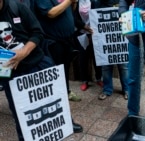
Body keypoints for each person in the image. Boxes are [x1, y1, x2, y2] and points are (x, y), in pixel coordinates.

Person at [0, 0, 81, 140]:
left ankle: (66, 122)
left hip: (37, 63)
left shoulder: (17, 7)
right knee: (21, 112)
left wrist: (24, 52)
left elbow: (37, 32)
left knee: (54, 100)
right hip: (9, 73)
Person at [33, 0, 83, 133]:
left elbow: (66, 12)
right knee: (56, 83)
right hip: (53, 44)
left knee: (63, 80)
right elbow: (51, 13)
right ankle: (64, 121)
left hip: (65, 42)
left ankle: (61, 116)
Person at [97, 0, 129, 100]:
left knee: (124, 66)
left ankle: (127, 89)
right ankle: (107, 89)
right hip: (106, 37)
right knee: (106, 65)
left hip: (121, 37)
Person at [73, 0, 103, 91]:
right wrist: (84, 26)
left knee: (96, 56)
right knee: (83, 58)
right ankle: (84, 81)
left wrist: (92, 29)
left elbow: (98, 14)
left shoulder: (94, 1)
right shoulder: (76, 2)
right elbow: (74, 18)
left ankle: (99, 78)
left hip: (94, 32)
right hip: (81, 33)